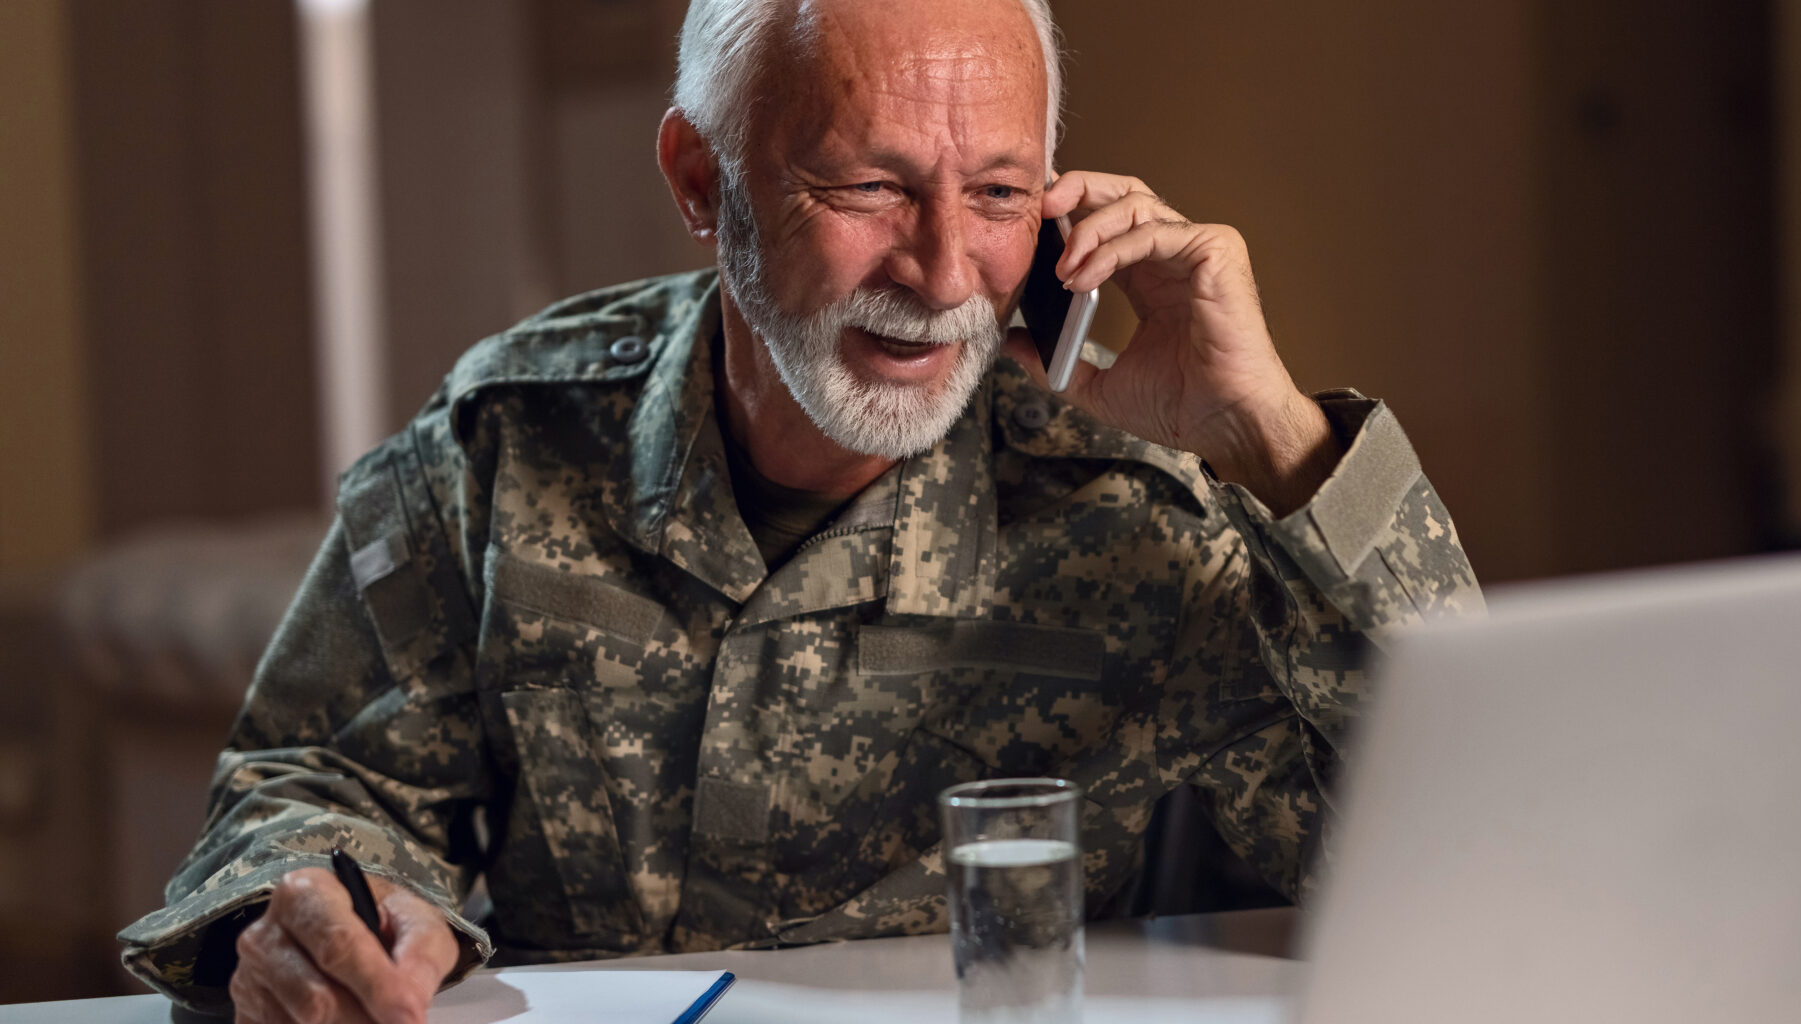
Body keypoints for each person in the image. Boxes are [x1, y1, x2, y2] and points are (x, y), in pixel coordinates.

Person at [119, 0, 1482, 1020]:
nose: (947, 270)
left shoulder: (1143, 501)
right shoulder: (510, 443)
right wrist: (313, 908)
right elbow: (310, 782)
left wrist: (1284, 444)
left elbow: (1475, 840)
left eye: (1001, 193)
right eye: (869, 184)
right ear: (704, 184)